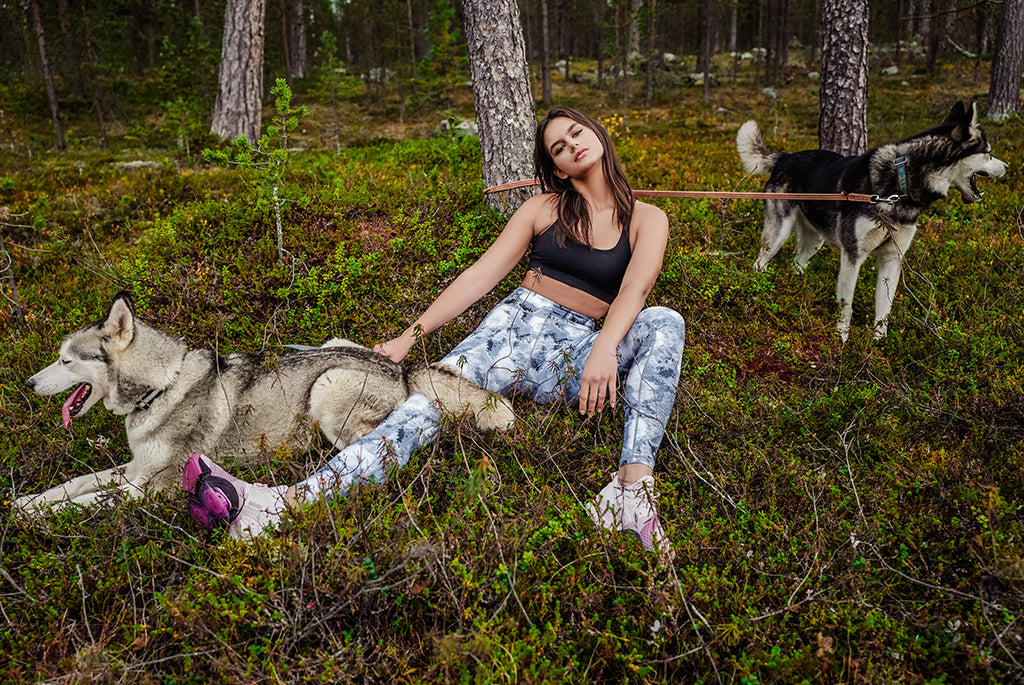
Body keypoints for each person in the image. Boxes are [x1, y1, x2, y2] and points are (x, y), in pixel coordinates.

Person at [183, 106, 686, 557]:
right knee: (420, 411)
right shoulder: (541, 210)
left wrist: (602, 349)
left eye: (577, 132)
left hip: (575, 351)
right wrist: (410, 337)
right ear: (557, 168)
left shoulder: (647, 218)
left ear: (596, 133)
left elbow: (634, 292)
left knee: (665, 322)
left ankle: (631, 490)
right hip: (510, 332)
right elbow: (479, 277)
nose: (573, 143)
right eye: (559, 146)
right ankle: (278, 505)